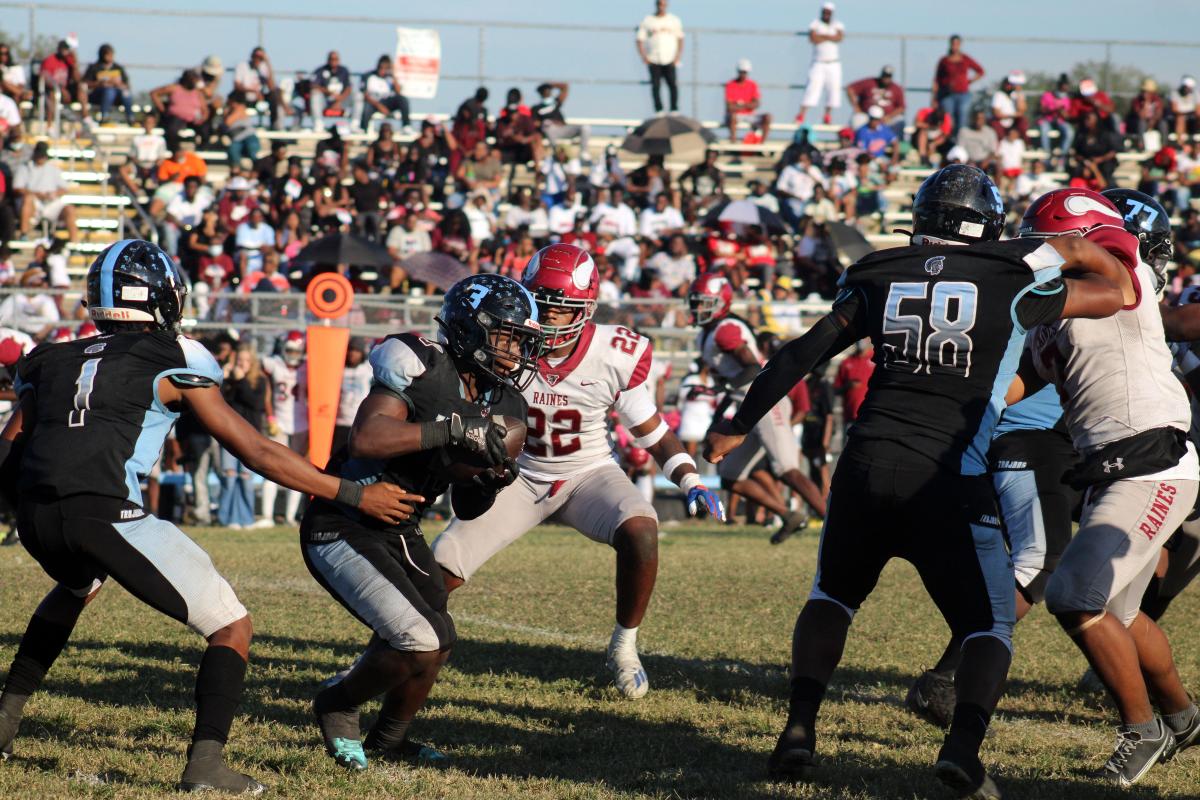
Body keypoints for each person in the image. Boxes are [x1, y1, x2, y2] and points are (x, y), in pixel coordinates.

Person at [703, 165, 1131, 797]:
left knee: (832, 597)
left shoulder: (880, 271)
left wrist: (738, 423)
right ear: (986, 225)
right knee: (989, 626)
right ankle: (961, 748)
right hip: (948, 474)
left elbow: (801, 352)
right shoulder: (1010, 278)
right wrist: (1075, 246)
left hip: (865, 463)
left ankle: (798, 730)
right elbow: (1116, 291)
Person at [0, 239, 416, 791]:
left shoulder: (49, 358)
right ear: (162, 299)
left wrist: (28, 511)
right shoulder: (177, 356)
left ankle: (4, 719)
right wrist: (351, 494)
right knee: (231, 625)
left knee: (77, 585)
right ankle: (206, 765)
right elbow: (255, 449)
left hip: (36, 516)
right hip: (104, 512)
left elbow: (10, 447)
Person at [431, 245, 724, 700]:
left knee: (642, 529)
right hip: (518, 475)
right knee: (441, 566)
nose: (546, 318)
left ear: (585, 309)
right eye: (540, 303)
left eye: (559, 308)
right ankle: (387, 651)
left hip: (587, 473)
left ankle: (624, 647)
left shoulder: (614, 352)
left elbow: (650, 429)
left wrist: (690, 478)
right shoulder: (501, 339)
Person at [304, 274, 541, 769]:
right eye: (505, 335)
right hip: (344, 519)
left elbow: (467, 505)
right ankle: (338, 702)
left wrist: (488, 482)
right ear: (468, 329)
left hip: (401, 526)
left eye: (520, 339)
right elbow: (368, 438)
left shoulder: (508, 407)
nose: (514, 350)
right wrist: (450, 429)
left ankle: (390, 740)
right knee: (420, 637)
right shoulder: (423, 364)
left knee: (441, 636)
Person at [1018, 188, 1200, 786]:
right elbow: (1017, 384)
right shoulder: (1056, 310)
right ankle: (1181, 715)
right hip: (1112, 466)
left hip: (1150, 459)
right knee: (1118, 611)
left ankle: (1140, 729)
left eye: (1047, 242)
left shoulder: (1118, 258)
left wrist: (1036, 257)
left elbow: (1093, 248)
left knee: (1074, 595)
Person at [905, 385, 1078, 730]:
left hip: (1087, 440)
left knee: (1152, 549)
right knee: (1040, 564)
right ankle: (944, 675)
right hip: (1033, 436)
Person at [688, 272, 828, 544]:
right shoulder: (705, 335)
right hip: (745, 408)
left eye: (704, 302)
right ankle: (789, 516)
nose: (698, 309)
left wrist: (723, 390)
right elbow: (731, 381)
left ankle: (835, 524)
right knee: (730, 477)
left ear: (721, 303)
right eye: (696, 302)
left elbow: (753, 367)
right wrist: (721, 408)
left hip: (765, 402)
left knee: (787, 469)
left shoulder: (726, 330)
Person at [259, 332, 308, 526]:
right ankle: (267, 516)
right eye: (289, 350)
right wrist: (270, 415)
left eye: (296, 351)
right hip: (278, 421)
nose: (293, 354)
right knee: (272, 468)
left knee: (297, 470)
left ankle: (290, 516)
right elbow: (265, 386)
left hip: (302, 423)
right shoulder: (274, 364)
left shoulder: (308, 366)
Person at [15, 141, 79, 242]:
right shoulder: (25, 168)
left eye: (43, 156)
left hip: (50, 203)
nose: (41, 158)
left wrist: (54, 193)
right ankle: (24, 233)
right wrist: (36, 194)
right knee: (28, 199)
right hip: (34, 203)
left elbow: (64, 188)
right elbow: (17, 188)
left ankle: (74, 242)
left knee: (69, 209)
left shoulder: (53, 169)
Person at [797, 2, 844, 125]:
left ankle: (827, 115)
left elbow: (839, 37)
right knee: (812, 88)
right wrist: (829, 36)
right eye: (825, 12)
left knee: (833, 90)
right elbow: (813, 38)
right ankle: (801, 115)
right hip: (818, 62)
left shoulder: (837, 24)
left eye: (828, 12)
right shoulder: (815, 24)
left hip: (833, 63)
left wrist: (823, 36)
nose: (826, 14)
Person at [636, 0, 684, 114]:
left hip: (669, 58)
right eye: (659, 4)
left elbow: (680, 39)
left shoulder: (674, 20)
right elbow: (639, 39)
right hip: (653, 59)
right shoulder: (648, 20)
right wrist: (644, 57)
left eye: (663, 4)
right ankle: (659, 110)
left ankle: (674, 109)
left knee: (672, 84)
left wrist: (677, 56)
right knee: (655, 85)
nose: (661, 6)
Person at [933, 35, 985, 135]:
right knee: (948, 119)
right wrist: (934, 97)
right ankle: (949, 140)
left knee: (962, 117)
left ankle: (960, 140)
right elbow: (937, 79)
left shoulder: (965, 59)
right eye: (953, 44)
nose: (955, 46)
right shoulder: (944, 61)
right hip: (947, 95)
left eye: (957, 44)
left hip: (963, 94)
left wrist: (969, 81)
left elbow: (980, 71)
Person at [331, 338, 373, 456]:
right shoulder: (338, 369)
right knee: (336, 457)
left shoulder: (367, 371)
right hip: (339, 422)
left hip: (358, 423)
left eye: (356, 351)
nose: (352, 353)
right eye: (350, 350)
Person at [846, 65, 904, 137]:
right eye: (885, 75)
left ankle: (895, 143)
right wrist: (856, 107)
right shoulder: (870, 82)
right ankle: (858, 142)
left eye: (888, 76)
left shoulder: (896, 88)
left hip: (886, 118)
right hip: (867, 116)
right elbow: (850, 88)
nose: (886, 78)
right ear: (881, 75)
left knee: (899, 120)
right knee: (857, 119)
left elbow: (901, 107)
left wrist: (889, 116)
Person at [361, 54, 411, 133]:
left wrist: (393, 75)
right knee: (366, 107)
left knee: (403, 99)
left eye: (386, 68)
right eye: (381, 68)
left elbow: (398, 92)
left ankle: (406, 126)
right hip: (373, 103)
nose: (382, 71)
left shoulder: (390, 78)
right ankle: (363, 130)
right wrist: (379, 106)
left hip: (387, 102)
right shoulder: (369, 76)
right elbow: (364, 95)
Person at [232, 47, 281, 129]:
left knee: (275, 95)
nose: (258, 59)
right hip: (245, 97)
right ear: (252, 56)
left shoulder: (263, 67)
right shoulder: (243, 66)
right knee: (237, 96)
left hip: (260, 98)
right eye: (256, 56)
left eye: (261, 57)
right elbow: (237, 85)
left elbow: (272, 87)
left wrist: (267, 63)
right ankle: (239, 126)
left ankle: (274, 127)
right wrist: (253, 91)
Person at [82, 44, 132, 124]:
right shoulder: (94, 67)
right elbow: (85, 84)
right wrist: (100, 83)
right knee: (109, 91)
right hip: (98, 95)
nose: (110, 57)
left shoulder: (118, 68)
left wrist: (118, 84)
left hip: (118, 95)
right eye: (108, 55)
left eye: (112, 54)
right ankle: (104, 115)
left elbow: (127, 85)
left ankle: (130, 117)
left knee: (126, 93)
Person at [832, 339, 872, 437]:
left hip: (871, 416)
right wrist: (848, 386)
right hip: (850, 416)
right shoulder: (846, 362)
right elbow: (836, 389)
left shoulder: (878, 359)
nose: (861, 341)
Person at [725, 59, 771, 144]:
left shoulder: (752, 84)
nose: (743, 74)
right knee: (732, 116)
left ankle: (762, 144)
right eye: (741, 72)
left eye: (745, 72)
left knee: (768, 117)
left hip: (750, 115)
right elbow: (729, 106)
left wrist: (740, 104)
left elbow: (757, 103)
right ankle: (733, 142)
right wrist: (748, 105)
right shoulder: (730, 84)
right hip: (736, 116)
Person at [310, 51, 352, 130]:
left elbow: (349, 87)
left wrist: (339, 100)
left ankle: (354, 124)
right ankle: (318, 124)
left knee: (358, 95)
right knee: (315, 94)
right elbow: (314, 85)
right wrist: (328, 92)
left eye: (335, 59)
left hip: (341, 101)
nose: (333, 61)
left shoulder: (344, 71)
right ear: (327, 60)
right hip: (325, 101)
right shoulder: (320, 70)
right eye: (331, 59)